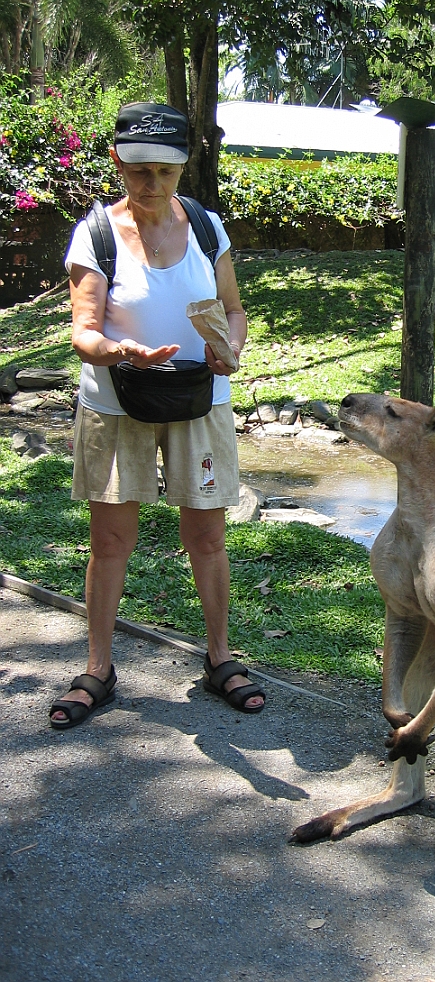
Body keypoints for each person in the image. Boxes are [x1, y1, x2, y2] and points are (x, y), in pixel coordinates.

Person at [49, 101, 265, 729]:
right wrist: (121, 352)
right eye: (139, 170)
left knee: (208, 537)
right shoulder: (95, 235)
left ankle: (220, 657)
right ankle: (98, 668)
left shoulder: (207, 228)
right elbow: (84, 331)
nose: (151, 184)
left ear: (182, 168)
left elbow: (233, 310)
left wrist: (231, 349)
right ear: (117, 162)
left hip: (200, 399)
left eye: (165, 172)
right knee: (110, 540)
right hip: (117, 401)